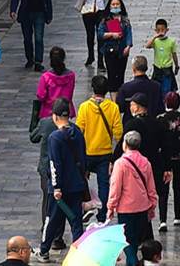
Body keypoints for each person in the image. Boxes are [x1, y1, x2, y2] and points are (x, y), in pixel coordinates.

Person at [44, 99, 91, 257]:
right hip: (76, 185)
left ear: (55, 117)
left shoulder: (55, 137)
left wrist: (56, 187)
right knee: (76, 221)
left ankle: (44, 250)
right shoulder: (77, 131)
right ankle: (78, 252)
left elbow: (54, 164)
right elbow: (84, 157)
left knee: (52, 220)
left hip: (61, 189)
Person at [78, 75, 125, 222]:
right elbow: (118, 134)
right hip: (105, 153)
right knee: (104, 185)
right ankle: (102, 214)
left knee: (81, 182)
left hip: (87, 152)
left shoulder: (85, 107)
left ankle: (84, 207)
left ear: (93, 89)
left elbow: (79, 130)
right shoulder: (113, 107)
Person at [110, 131, 161, 266]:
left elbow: (115, 187)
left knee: (127, 242)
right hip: (142, 208)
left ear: (125, 144)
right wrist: (152, 206)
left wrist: (111, 206)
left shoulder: (120, 164)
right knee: (136, 240)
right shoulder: (146, 162)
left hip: (125, 210)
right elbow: (151, 188)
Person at [159, 91, 180, 230]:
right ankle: (177, 216)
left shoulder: (160, 118)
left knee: (163, 188)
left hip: (165, 157)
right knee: (178, 186)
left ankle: (162, 219)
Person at [11, 0, 53, 72]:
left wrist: (49, 15)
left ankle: (38, 61)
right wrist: (13, 10)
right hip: (26, 13)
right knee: (27, 38)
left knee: (39, 38)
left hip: (40, 13)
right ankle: (30, 58)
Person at [36, 46, 77, 131]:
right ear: (63, 58)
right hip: (65, 112)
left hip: (48, 112)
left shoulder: (46, 77)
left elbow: (41, 96)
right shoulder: (71, 76)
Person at [79, 0, 110, 66]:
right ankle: (90, 56)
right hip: (88, 10)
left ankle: (101, 61)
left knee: (101, 35)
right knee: (90, 35)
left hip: (100, 10)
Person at [100, 0, 135, 88]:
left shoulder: (125, 19)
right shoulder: (106, 20)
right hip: (110, 51)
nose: (115, 6)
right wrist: (111, 34)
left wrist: (128, 46)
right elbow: (100, 34)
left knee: (120, 75)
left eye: (117, 4)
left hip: (122, 51)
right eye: (113, 4)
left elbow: (128, 33)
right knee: (112, 76)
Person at [147, 19, 179, 95]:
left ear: (167, 30)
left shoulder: (171, 41)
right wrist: (155, 37)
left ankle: (165, 104)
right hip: (157, 69)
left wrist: (177, 66)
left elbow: (174, 55)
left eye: (162, 30)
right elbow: (147, 46)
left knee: (166, 90)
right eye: (158, 30)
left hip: (167, 69)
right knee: (156, 89)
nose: (160, 32)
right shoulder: (155, 41)